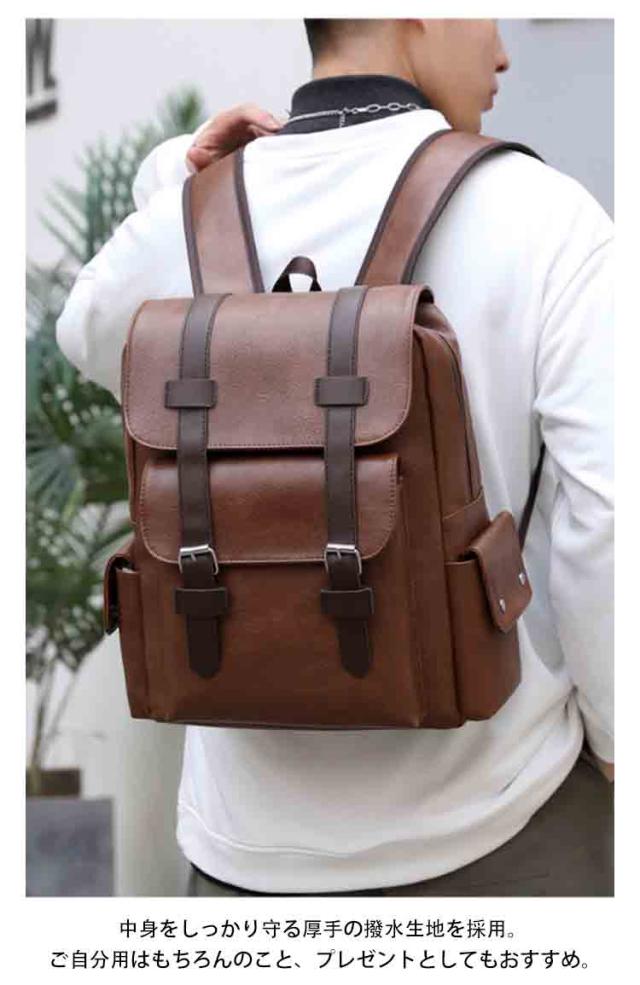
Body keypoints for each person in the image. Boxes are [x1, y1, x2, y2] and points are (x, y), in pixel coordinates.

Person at [57, 18, 614, 897]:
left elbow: (86, 332)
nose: (503, 50)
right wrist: (616, 744)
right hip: (503, 828)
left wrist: (177, 177)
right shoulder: (549, 215)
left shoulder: (190, 217)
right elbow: (608, 519)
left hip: (241, 857)